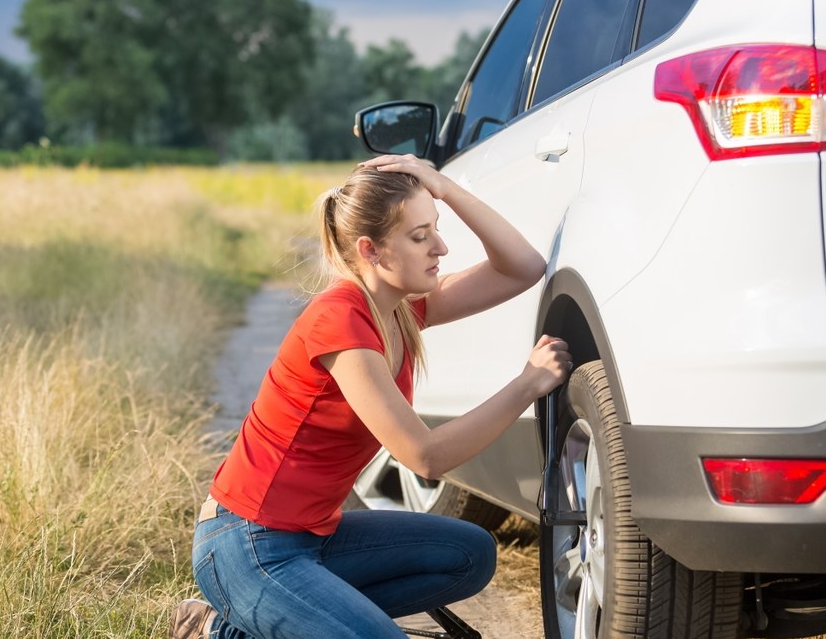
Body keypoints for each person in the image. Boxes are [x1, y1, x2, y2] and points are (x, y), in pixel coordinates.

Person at [171, 154, 571, 639]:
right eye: (420, 237)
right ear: (373, 251)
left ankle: (228, 631)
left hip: (315, 538)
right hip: (246, 544)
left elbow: (522, 268)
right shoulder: (338, 319)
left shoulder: (401, 311)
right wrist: (526, 383)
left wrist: (444, 187)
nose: (440, 248)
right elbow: (425, 457)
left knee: (471, 554)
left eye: (435, 229)